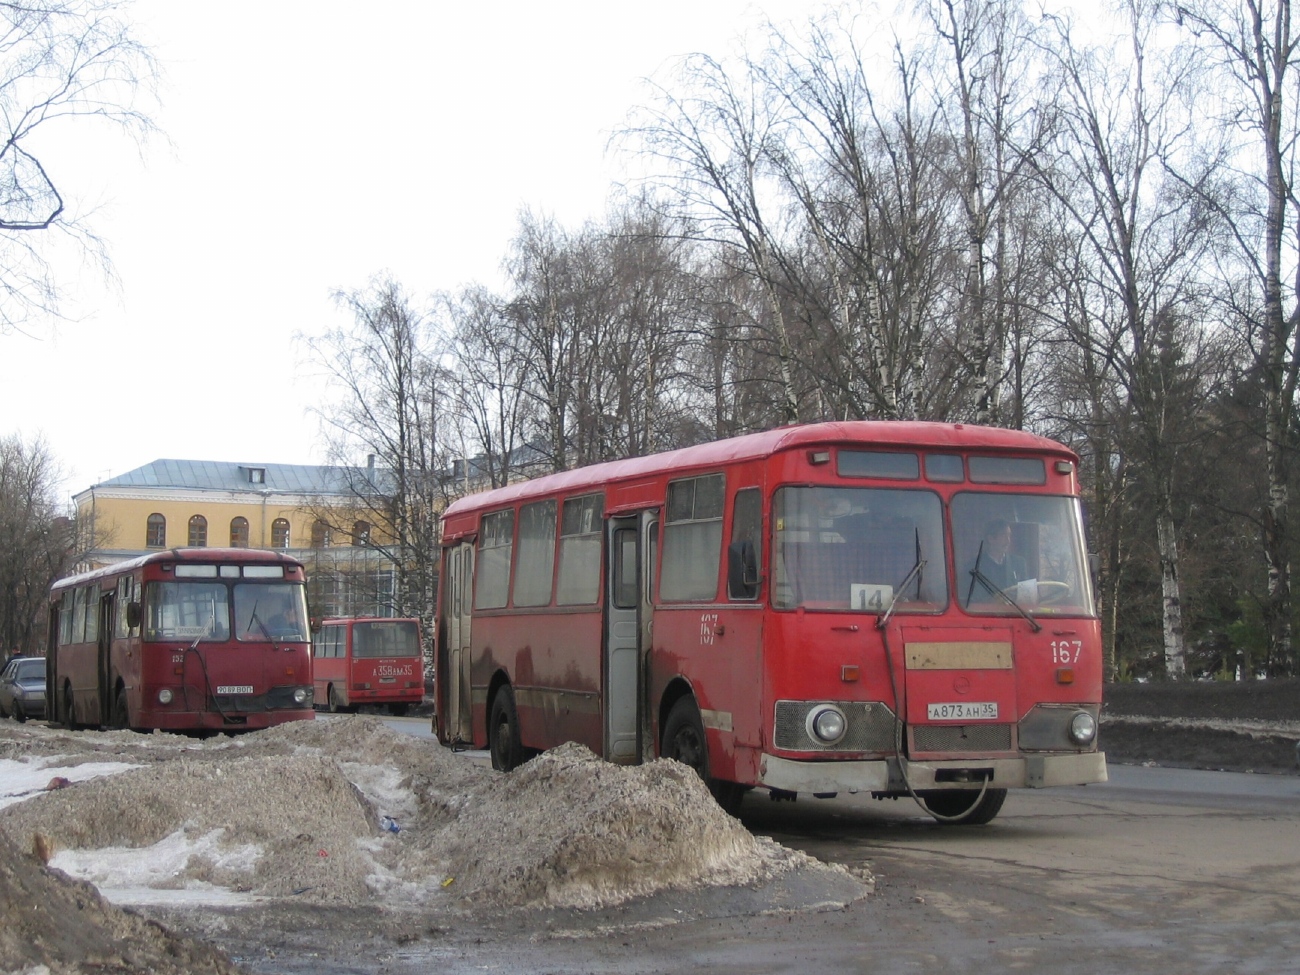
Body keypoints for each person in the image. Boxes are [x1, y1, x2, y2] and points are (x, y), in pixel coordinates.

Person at [965, 519, 1028, 603]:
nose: (1008, 541)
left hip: (1017, 613)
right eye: (1003, 535)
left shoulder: (1019, 563)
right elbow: (973, 600)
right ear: (990, 539)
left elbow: (1028, 597)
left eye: (1009, 535)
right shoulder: (974, 566)